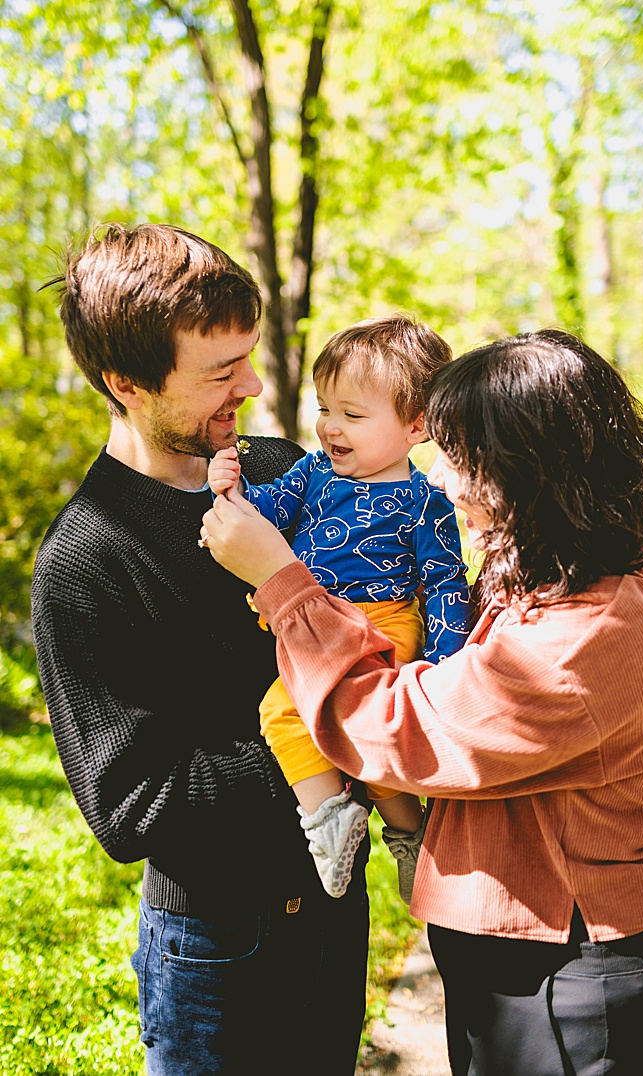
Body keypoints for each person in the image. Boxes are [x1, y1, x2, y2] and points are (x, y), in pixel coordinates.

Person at [201, 328, 643, 1076]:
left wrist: (282, 581)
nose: (439, 481)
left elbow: (393, 727)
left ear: (532, 472)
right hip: (544, 970)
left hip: (574, 991)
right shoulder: (586, 560)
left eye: (464, 460)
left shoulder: (585, 634)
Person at [30, 222, 368, 1073]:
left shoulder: (283, 470)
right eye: (221, 374)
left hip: (337, 912)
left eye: (248, 359)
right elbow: (131, 803)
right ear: (127, 383)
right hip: (216, 948)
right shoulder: (86, 557)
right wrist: (340, 737)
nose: (251, 388)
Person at [205, 313, 467, 902]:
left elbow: (446, 583)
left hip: (382, 622)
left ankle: (399, 831)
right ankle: (337, 815)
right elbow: (268, 511)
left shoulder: (426, 502)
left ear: (415, 425)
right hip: (308, 619)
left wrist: (443, 664)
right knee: (285, 714)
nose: (330, 428)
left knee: (356, 722)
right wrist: (231, 489)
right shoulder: (314, 471)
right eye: (325, 409)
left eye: (352, 415)